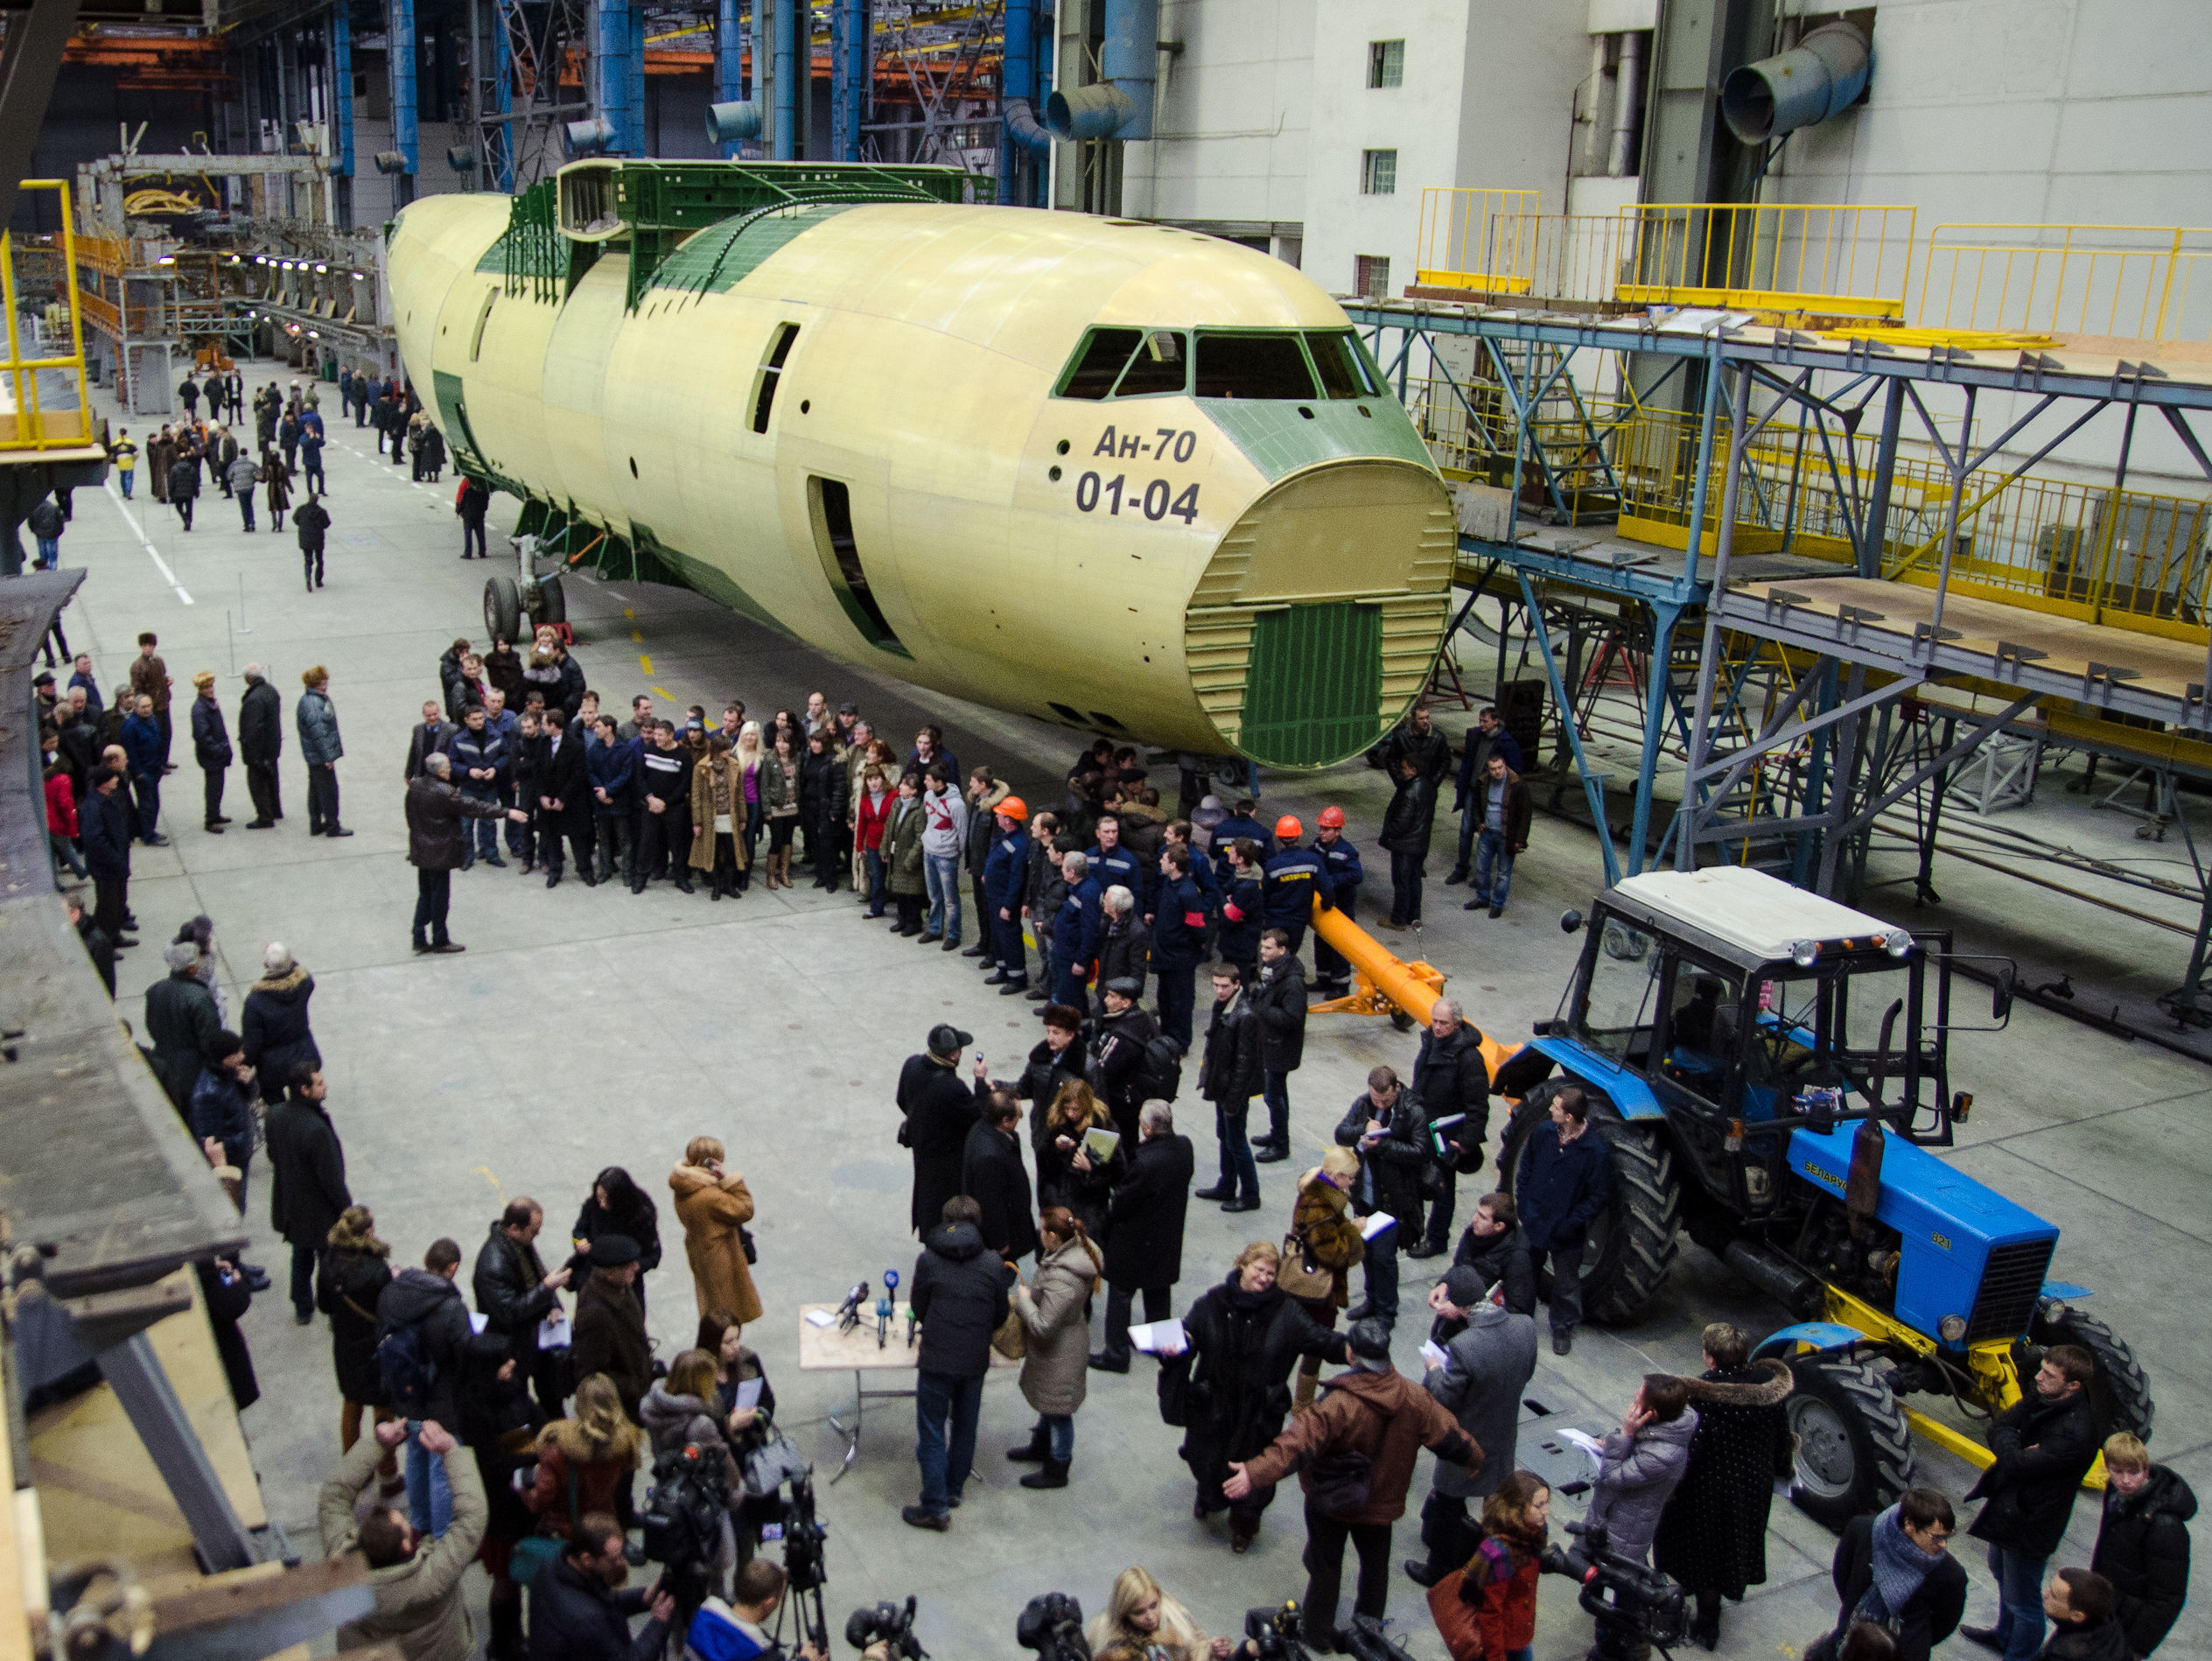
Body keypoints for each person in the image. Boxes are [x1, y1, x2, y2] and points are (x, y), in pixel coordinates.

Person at [1226, 1317, 1480, 1653]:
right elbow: (1451, 1438)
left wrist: (1253, 1473)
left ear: (1350, 1354)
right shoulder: (1415, 1399)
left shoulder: (1337, 1404)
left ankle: (1317, 1634)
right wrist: (1475, 1459)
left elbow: (1295, 1446)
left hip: (1330, 1502)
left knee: (1326, 1567)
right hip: (1381, 1505)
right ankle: (1368, 1634)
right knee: (1375, 1568)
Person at [1163, 1240, 1349, 1553]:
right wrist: (1173, 1351)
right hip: (1214, 1405)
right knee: (1208, 1457)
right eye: (1259, 1270)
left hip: (1258, 1412)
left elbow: (1319, 1339)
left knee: (1256, 1469)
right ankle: (1209, 1496)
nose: (1265, 1278)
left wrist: (1349, 1349)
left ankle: (1244, 1526)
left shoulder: (1287, 1313)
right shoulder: (1212, 1304)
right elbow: (1188, 1337)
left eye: (1271, 1273)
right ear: (1242, 1266)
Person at [1652, 1321, 1796, 1648]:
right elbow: (1782, 1440)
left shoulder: (1701, 1396)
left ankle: (1705, 1626)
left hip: (1708, 1491)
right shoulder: (1767, 1390)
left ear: (1710, 1359)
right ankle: (1713, 1617)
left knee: (1704, 1557)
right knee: (1732, 1548)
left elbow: (1692, 1448)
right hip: (1751, 1489)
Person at [1962, 1345, 2104, 1661]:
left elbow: (2014, 1463)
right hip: (2011, 1507)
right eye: (2041, 1369)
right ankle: (2003, 1636)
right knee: (1999, 1571)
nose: (2038, 1377)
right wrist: (2018, 1448)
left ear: (2073, 1386)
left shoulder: (2076, 1433)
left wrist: (2016, 1450)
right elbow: (1998, 1426)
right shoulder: (2045, 1395)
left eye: (2049, 1374)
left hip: (2032, 1521)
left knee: (2023, 1600)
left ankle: (2020, 1655)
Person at [1407, 1264, 1540, 1586]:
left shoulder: (1465, 1347)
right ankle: (1489, 1559)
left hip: (1467, 1437)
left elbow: (1443, 1396)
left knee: (1449, 1500)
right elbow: (1526, 1372)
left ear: (1461, 1305)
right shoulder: (1525, 1326)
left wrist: (1435, 1368)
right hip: (1504, 1429)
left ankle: (1438, 1569)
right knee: (1494, 1502)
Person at [319, 1416, 486, 1661]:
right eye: (405, 1525)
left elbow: (333, 1497)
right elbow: (472, 1515)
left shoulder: (342, 1565)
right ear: (406, 1545)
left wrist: (376, 1445)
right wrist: (451, 1451)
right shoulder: (434, 1575)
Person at [903, 1195, 1010, 1531]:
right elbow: (1001, 1314)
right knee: (965, 1425)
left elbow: (919, 1306)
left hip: (936, 1358)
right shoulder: (993, 1264)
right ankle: (952, 1490)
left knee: (932, 1430)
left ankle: (933, 1507)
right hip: (974, 1360)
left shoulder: (929, 1261)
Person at [377, 1237, 475, 1538]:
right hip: (441, 1399)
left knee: (416, 1456)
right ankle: (444, 1535)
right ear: (453, 1267)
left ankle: (419, 1524)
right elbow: (465, 1354)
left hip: (405, 1391)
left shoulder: (393, 1292)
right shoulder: (450, 1306)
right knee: (442, 1468)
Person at [1004, 1206, 1102, 1490]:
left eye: (1042, 1229)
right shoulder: (1068, 1253)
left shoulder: (1064, 1279)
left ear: (1053, 1238)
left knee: (1059, 1412)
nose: (1038, 1233)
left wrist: (1023, 1301)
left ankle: (1058, 1467)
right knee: (1051, 1402)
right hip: (1060, 1349)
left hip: (1062, 1352)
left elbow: (1044, 1325)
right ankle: (1041, 1445)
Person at [1093, 1100, 1194, 1372]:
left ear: (1146, 1128)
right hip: (1166, 1235)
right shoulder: (1185, 1148)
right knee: (1158, 1291)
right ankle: (1159, 1344)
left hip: (1135, 1239)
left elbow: (1123, 1203)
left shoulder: (1144, 1163)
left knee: (1121, 1294)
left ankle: (1116, 1353)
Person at [1813, 1489, 1966, 1661]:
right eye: (1936, 1538)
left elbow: (1945, 1622)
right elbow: (1842, 1574)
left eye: (1947, 1537)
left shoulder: (1950, 1573)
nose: (1943, 1545)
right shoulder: (1863, 1530)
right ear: (1909, 1525)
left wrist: (1914, 1639)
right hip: (1853, 1642)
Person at [1516, 1084, 1612, 1355]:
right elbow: (1526, 1167)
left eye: (1556, 1107)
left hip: (1566, 1231)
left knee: (1566, 1281)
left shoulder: (1595, 1152)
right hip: (1534, 1220)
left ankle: (1562, 1327)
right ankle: (1520, 1318)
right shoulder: (1544, 1133)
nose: (1550, 1110)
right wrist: (1524, 1205)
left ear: (1569, 1116)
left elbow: (1597, 1197)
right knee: (1525, 1270)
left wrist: (1571, 1222)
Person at [316, 1205, 401, 1496]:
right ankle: (388, 1475)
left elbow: (325, 1305)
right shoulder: (377, 1269)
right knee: (383, 1410)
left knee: (351, 1406)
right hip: (375, 1347)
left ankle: (354, 1472)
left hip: (346, 1347)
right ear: (368, 1231)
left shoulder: (328, 1263)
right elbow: (389, 1311)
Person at [406, 751, 526, 953]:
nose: (450, 771)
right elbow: (474, 807)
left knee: (425, 893)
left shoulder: (416, 786)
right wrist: (507, 811)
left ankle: (418, 935)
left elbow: (410, 815)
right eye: (448, 769)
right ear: (442, 771)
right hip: (440, 852)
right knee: (439, 897)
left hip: (421, 850)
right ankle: (440, 939)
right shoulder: (445, 792)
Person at [1333, 1064, 1424, 1329]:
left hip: (1393, 1199)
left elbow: (1420, 1152)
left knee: (1384, 1257)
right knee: (1365, 1252)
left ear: (1396, 1088)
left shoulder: (1412, 1111)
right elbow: (1341, 1133)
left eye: (1385, 1099)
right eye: (1375, 1098)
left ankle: (1386, 1311)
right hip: (1365, 1196)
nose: (1379, 1103)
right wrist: (1363, 1128)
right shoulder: (1363, 1105)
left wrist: (1383, 1145)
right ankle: (1372, 1301)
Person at [2089, 1432, 2194, 1658]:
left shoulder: (2164, 1525)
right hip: (2106, 1613)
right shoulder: (2116, 1495)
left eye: (2134, 1472)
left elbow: (2168, 1597)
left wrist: (2136, 1649)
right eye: (2117, 1472)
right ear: (2107, 1467)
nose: (2125, 1480)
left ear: (2146, 1470)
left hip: (2128, 1627)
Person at [1431, 1472, 1550, 1661]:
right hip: (1504, 1644)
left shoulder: (1534, 1533)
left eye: (1546, 1503)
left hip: (1521, 1635)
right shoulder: (1501, 1553)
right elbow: (1490, 1613)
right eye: (1539, 1505)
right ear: (1518, 1508)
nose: (1546, 1512)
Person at [525, 1510, 674, 1661]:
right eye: (613, 1559)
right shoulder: (588, 1621)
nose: (621, 1563)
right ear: (587, 1559)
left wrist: (642, 1598)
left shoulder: (550, 1567)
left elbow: (602, 1602)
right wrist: (658, 1622)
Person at [473, 1197, 573, 1419]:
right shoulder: (493, 1265)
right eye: (534, 1231)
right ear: (514, 1229)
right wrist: (546, 1289)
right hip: (511, 1349)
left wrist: (554, 1305)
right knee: (518, 1409)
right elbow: (509, 1312)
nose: (536, 1236)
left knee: (552, 1398)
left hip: (536, 1337)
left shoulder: (520, 1244)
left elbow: (538, 1274)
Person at [1586, 1374, 1699, 1566]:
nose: (1635, 1394)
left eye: (1639, 1394)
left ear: (1651, 1414)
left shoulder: (1661, 1456)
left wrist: (1626, 1434)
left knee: (1615, 1579)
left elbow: (1612, 1477)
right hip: (1615, 1517)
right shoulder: (1661, 1425)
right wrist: (1614, 1444)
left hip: (1623, 1531)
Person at [266, 1064, 350, 1324]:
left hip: (290, 1203)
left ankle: (302, 1307)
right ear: (305, 1089)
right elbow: (331, 1180)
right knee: (329, 1262)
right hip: (319, 1211)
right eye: (319, 1083)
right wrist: (347, 1211)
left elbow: (273, 1154)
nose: (325, 1086)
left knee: (300, 1257)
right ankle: (332, 1309)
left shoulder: (275, 1115)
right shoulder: (316, 1130)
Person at [1407, 999, 1491, 1259]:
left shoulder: (1469, 1058)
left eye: (1444, 1023)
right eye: (1434, 1021)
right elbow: (1419, 1082)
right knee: (1416, 1182)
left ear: (1457, 1024)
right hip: (1422, 1127)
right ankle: (1415, 1232)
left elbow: (1478, 1106)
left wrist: (1465, 1141)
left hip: (1445, 1136)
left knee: (1442, 1188)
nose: (1437, 1027)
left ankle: (1437, 1239)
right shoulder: (1431, 1042)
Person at [1285, 1148, 1365, 1411]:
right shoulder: (1321, 1204)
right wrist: (1354, 1233)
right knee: (1314, 1344)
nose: (1351, 1183)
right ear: (1338, 1175)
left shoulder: (1315, 1189)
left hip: (1303, 1282)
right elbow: (1331, 1253)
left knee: (1291, 1338)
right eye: (1350, 1178)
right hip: (1315, 1289)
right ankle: (1303, 1403)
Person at [527, 1373, 647, 1540]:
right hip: (605, 1526)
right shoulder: (626, 1443)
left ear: (579, 1404)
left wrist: (523, 1491)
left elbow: (542, 1499)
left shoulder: (557, 1446)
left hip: (565, 1531)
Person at [897, 1024, 987, 1237]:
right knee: (947, 1203)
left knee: (926, 1196)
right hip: (949, 1157)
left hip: (921, 1146)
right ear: (954, 1055)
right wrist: (981, 1082)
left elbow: (901, 1100)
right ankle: (946, 1242)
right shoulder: (952, 1087)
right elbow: (979, 1115)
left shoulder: (912, 1065)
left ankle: (930, 1236)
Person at [669, 1135, 763, 1325]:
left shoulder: (684, 1186)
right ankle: (725, 1344)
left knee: (711, 1300)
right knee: (727, 1306)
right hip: (720, 1255)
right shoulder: (711, 1197)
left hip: (700, 1248)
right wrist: (729, 1180)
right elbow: (745, 1209)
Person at [1196, 962, 1264, 1213]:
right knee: (1226, 1138)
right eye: (1215, 985)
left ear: (1237, 985)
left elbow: (1245, 1063)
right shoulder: (1223, 1007)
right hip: (1222, 1085)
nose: (1219, 991)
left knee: (1236, 1142)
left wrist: (1234, 1100)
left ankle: (1250, 1194)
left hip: (1233, 1090)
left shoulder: (1245, 1016)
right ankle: (1226, 1184)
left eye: (1225, 986)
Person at [571, 1236, 654, 1423]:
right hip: (623, 1408)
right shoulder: (594, 1315)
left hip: (640, 1389)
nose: (636, 1267)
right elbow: (592, 1375)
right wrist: (633, 1386)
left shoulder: (622, 1286)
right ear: (610, 1273)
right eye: (629, 1265)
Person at [1033, 1079, 1122, 1242]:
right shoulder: (1056, 1124)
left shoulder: (1103, 1127)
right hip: (1060, 1202)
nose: (1071, 1114)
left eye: (1076, 1109)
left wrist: (1090, 1170)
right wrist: (1056, 1148)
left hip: (1090, 1209)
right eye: (1067, 1109)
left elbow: (1117, 1173)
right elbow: (1044, 1167)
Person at [1083, 1566, 1235, 1661]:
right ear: (1125, 1612)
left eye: (1154, 1605)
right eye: (1139, 1612)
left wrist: (1212, 1649)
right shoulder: (1107, 1643)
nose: (1150, 1616)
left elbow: (1197, 1646)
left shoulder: (1176, 1617)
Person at [567, 1168, 662, 1318]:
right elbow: (578, 1231)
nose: (602, 1205)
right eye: (600, 1198)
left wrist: (636, 1266)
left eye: (607, 1200)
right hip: (592, 1278)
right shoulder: (593, 1206)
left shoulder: (641, 1216)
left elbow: (653, 1255)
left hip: (625, 1287)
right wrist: (580, 1242)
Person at [962, 1086, 1042, 1265]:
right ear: (1005, 1121)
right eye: (1018, 1116)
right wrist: (1002, 1244)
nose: (1020, 1119)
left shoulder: (984, 1129)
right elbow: (991, 1204)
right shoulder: (990, 1157)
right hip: (1002, 1237)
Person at [1248, 929, 1307, 1164]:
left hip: (1280, 1047)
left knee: (1274, 1096)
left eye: (1268, 948)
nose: (1263, 952)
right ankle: (1277, 1133)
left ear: (1282, 950)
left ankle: (1281, 1144)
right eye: (1262, 948)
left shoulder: (1292, 983)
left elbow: (1293, 1018)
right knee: (1277, 1093)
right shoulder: (1273, 970)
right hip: (1270, 1042)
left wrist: (1263, 1008)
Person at [145, 937, 220, 1111]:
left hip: (162, 1059)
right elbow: (209, 1039)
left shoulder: (155, 990)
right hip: (193, 1070)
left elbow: (151, 1025)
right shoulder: (200, 997)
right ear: (192, 967)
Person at [1088, 977, 1162, 1146]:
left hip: (1118, 1102)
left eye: (1112, 996)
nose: (1106, 1000)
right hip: (1137, 1096)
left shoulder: (1120, 1037)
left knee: (1110, 1145)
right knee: (1130, 1140)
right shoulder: (1146, 1018)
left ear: (1126, 1003)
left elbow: (1100, 1072)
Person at [190, 1033, 261, 1204]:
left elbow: (250, 1098)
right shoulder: (208, 1093)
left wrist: (250, 1082)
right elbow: (208, 1138)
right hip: (232, 1158)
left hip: (241, 1150)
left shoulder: (231, 1073)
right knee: (235, 1202)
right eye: (238, 1053)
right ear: (225, 1058)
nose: (243, 1056)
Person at [1463, 752, 1532, 919]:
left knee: (1503, 873)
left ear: (1505, 765)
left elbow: (1525, 814)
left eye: (1500, 768)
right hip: (1487, 833)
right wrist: (1479, 822)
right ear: (1489, 769)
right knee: (1481, 868)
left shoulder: (1517, 784)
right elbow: (1476, 805)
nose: (1498, 772)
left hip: (1506, 836)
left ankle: (1497, 903)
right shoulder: (1483, 781)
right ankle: (1483, 898)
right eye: (1493, 769)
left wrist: (1520, 840)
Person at [1451, 1191, 1537, 1316]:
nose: (1474, 1219)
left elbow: (1517, 1312)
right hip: (1460, 1307)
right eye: (1477, 1212)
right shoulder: (1473, 1233)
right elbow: (1458, 1266)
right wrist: (1444, 1283)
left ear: (1499, 1226)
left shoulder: (1517, 1259)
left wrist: (1465, 1310)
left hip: (1486, 1325)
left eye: (1482, 1217)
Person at [447, 704, 511, 870]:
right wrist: (468, 771)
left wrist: (495, 768)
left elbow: (506, 755)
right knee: (466, 824)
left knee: (489, 821)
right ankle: (466, 857)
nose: (479, 722)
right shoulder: (458, 740)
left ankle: (492, 854)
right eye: (475, 719)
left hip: (489, 786)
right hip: (469, 787)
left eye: (481, 718)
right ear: (466, 720)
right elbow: (452, 763)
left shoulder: (494, 736)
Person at [1311, 805, 1365, 996]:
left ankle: (1341, 985)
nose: (1322, 833)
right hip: (1325, 904)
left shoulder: (1347, 851)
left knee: (1340, 946)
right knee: (1322, 942)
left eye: (1326, 829)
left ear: (1338, 831)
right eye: (1321, 828)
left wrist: (1330, 882)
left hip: (1342, 906)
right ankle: (1324, 978)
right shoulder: (1318, 845)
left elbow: (1356, 875)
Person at [1377, 753, 1436, 932]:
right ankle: (1414, 915)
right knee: (1414, 880)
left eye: (1404, 767)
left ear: (1413, 770)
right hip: (1420, 844)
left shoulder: (1410, 791)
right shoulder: (1428, 786)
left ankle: (1398, 919)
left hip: (1405, 845)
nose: (1401, 771)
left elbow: (1402, 821)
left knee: (1401, 882)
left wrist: (1389, 835)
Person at [984, 795, 1033, 992]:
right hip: (995, 895)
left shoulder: (1019, 844)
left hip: (1004, 900)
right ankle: (1003, 969)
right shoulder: (1006, 836)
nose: (997, 817)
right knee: (998, 935)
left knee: (1009, 938)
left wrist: (1009, 905)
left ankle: (1017, 977)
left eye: (1000, 814)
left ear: (1008, 819)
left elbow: (1017, 878)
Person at [80, 768, 134, 948]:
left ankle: (114, 936)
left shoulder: (107, 799)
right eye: (113, 778)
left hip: (116, 863)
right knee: (107, 907)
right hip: (106, 867)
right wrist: (115, 860)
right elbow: (96, 840)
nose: (116, 780)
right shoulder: (93, 806)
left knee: (117, 904)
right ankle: (104, 944)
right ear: (104, 783)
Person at [298, 665, 352, 838]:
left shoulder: (308, 700)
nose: (325, 685)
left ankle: (316, 824)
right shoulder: (314, 704)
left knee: (315, 790)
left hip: (313, 756)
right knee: (329, 792)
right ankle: (332, 826)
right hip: (320, 756)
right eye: (322, 683)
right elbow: (320, 733)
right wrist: (328, 757)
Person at [919, 765, 969, 948]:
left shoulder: (957, 805)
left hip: (947, 856)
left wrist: (958, 854)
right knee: (934, 895)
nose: (924, 782)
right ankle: (935, 928)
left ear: (939, 783)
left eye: (928, 779)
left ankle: (954, 934)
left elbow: (962, 832)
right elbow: (929, 820)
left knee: (950, 898)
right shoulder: (928, 796)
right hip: (929, 850)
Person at [2030, 1569, 2128, 1661]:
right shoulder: (2107, 1621)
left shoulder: (2063, 1654)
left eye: (2053, 1596)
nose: (2044, 1594)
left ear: (2077, 1615)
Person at [586, 713, 634, 886]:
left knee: (624, 839)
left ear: (609, 728)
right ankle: (605, 869)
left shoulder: (625, 749)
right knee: (604, 838)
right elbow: (590, 771)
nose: (595, 729)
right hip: (601, 801)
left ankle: (627, 872)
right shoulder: (594, 748)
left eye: (598, 726)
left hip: (619, 801)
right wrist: (601, 792)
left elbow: (626, 774)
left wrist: (608, 790)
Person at [239, 663, 284, 827]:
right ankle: (275, 809)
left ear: (247, 678)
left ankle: (265, 816)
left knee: (257, 783)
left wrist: (252, 754)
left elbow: (251, 730)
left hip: (260, 750)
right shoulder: (271, 690)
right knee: (272, 779)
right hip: (273, 745)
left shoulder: (253, 700)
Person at [189, 670, 234, 833]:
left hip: (217, 753)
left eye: (211, 686)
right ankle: (210, 819)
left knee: (218, 786)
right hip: (211, 755)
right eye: (206, 687)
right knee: (213, 787)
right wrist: (219, 750)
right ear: (200, 689)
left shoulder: (210, 703)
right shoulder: (200, 709)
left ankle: (216, 814)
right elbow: (202, 736)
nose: (210, 689)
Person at [120, 695, 166, 845]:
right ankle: (148, 836)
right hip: (143, 772)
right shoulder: (130, 726)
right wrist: (139, 772)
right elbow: (130, 753)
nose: (147, 710)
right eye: (143, 707)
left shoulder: (151, 720)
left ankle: (150, 830)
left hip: (154, 768)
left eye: (149, 706)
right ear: (135, 708)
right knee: (147, 805)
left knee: (154, 803)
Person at [458, 476, 491, 558]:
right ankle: (482, 552)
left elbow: (462, 503)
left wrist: (458, 511)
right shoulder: (484, 492)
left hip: (468, 516)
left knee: (468, 535)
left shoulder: (468, 492)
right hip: (479, 515)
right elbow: (486, 506)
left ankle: (468, 553)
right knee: (480, 534)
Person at [227, 449, 260, 529]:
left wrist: (234, 482)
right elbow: (260, 473)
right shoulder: (252, 463)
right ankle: (252, 522)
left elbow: (228, 476)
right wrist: (254, 480)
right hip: (249, 487)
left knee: (243, 506)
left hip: (239, 488)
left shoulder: (234, 464)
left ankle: (246, 524)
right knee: (249, 505)